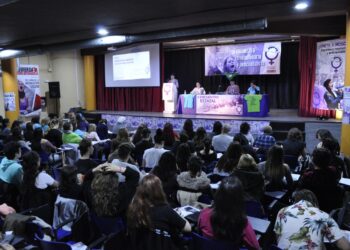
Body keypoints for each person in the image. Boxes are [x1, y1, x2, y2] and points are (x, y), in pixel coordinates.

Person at [127, 174, 191, 250]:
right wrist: (178, 215)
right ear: (159, 190)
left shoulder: (134, 209)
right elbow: (188, 228)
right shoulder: (166, 210)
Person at [274, 189, 350, 250]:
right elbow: (345, 247)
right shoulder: (323, 216)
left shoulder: (283, 211)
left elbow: (278, 239)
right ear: (315, 203)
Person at [198, 176, 259, 249]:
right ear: (239, 198)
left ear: (218, 194)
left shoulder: (204, 213)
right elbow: (255, 247)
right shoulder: (242, 223)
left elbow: (199, 233)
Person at [298, 148, 343, 212]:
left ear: (313, 160)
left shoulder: (308, 175)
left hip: (312, 206)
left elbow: (301, 188)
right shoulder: (333, 171)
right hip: (328, 205)